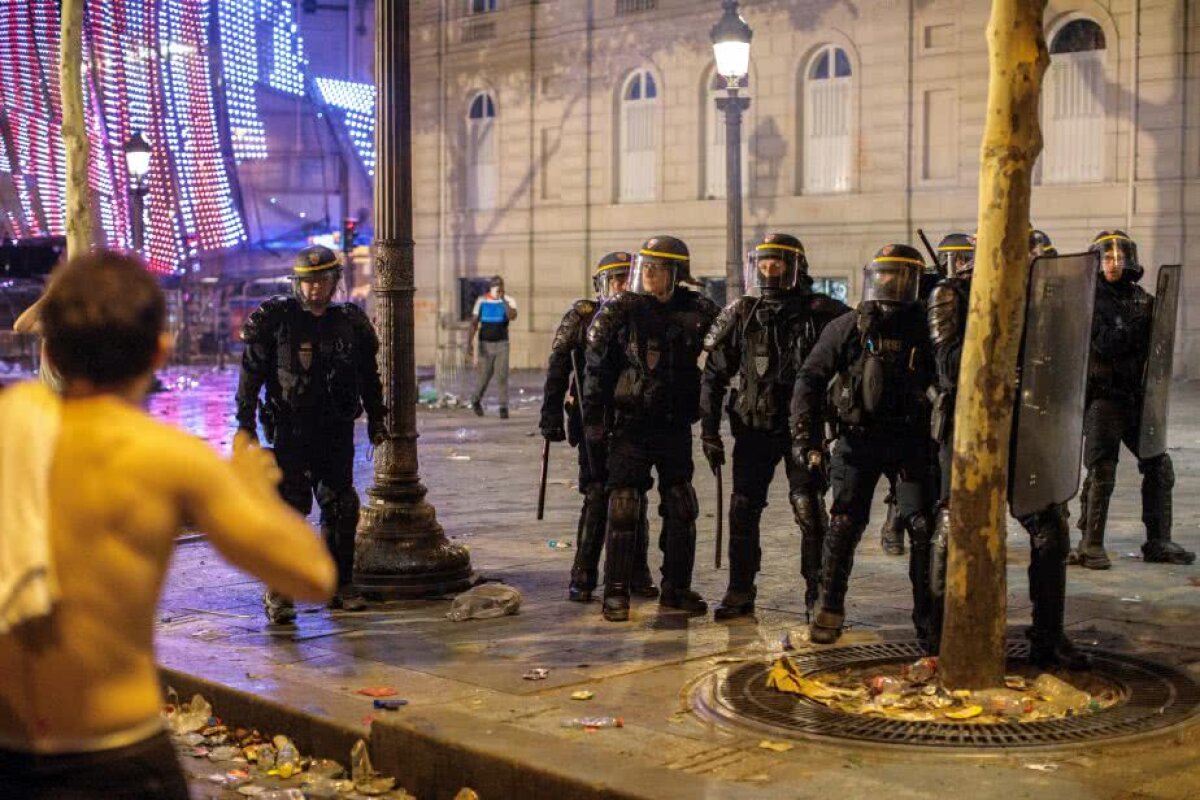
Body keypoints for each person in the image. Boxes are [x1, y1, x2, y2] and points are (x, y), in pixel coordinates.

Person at [0, 251, 335, 799]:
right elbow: (313, 576)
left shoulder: (10, 432)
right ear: (159, 351)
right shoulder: (168, 459)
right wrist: (255, 494)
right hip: (122, 758)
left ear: (51, 351)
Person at [925, 233, 1089, 667]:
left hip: (1027, 423)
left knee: (1050, 526)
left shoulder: (1044, 298)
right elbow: (949, 365)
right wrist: (998, 322)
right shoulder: (952, 292)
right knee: (953, 523)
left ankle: (1048, 636)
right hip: (969, 425)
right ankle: (942, 633)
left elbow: (1063, 357)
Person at [791, 245, 936, 648]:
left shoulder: (926, 328)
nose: (890, 284)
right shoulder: (849, 327)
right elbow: (810, 378)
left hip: (910, 440)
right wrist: (805, 435)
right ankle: (828, 608)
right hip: (858, 440)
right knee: (844, 523)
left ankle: (930, 620)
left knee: (922, 527)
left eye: (899, 276)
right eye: (884, 275)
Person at [700, 234, 849, 620]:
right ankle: (739, 589)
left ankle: (818, 594)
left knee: (809, 509)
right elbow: (714, 374)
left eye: (776, 264)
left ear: (795, 267)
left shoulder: (822, 313)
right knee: (743, 509)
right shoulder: (743, 313)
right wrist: (709, 431)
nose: (769, 271)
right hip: (754, 428)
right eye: (763, 264)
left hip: (804, 430)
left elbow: (853, 354)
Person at [236, 245, 387, 623]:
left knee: (340, 507)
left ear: (334, 282)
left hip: (335, 430)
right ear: (297, 284)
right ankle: (280, 591)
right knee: (289, 510)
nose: (315, 288)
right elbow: (250, 376)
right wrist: (245, 424)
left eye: (322, 280)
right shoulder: (276, 320)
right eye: (308, 282)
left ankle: (340, 584)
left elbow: (369, 377)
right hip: (290, 430)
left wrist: (377, 417)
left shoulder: (350, 322)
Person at [583, 235, 720, 622]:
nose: (648, 275)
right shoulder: (623, 308)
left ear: (676, 273)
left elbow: (726, 350)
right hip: (631, 424)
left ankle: (676, 588)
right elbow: (597, 365)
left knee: (681, 505)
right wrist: (594, 420)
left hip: (674, 424)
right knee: (624, 505)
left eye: (657, 269)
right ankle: (616, 591)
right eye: (646, 267)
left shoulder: (696, 310)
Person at [539, 252, 657, 602]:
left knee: (633, 496)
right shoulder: (583, 316)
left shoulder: (642, 315)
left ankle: (636, 572)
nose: (621, 285)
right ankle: (584, 574)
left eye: (626, 277)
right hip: (593, 418)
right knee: (596, 495)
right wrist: (550, 416)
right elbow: (559, 367)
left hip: (633, 419)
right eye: (615, 279)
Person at [1076, 230, 1194, 568]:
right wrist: (1138, 325)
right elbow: (1105, 344)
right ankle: (1090, 544)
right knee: (1102, 469)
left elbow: (1156, 347)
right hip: (1104, 398)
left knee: (1159, 465)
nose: (1114, 263)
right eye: (1107, 258)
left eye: (1119, 257)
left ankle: (1158, 540)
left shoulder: (1141, 299)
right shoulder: (1090, 299)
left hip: (1134, 397)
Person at [467, 275, 518, 418]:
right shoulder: (482, 301)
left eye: (499, 285)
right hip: (485, 344)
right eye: (495, 285)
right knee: (484, 376)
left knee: (502, 375)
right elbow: (474, 322)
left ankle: (503, 407)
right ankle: (476, 399)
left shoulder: (509, 301)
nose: (497, 287)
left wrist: (503, 301)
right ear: (490, 287)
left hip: (502, 344)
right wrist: (469, 342)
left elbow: (512, 316)